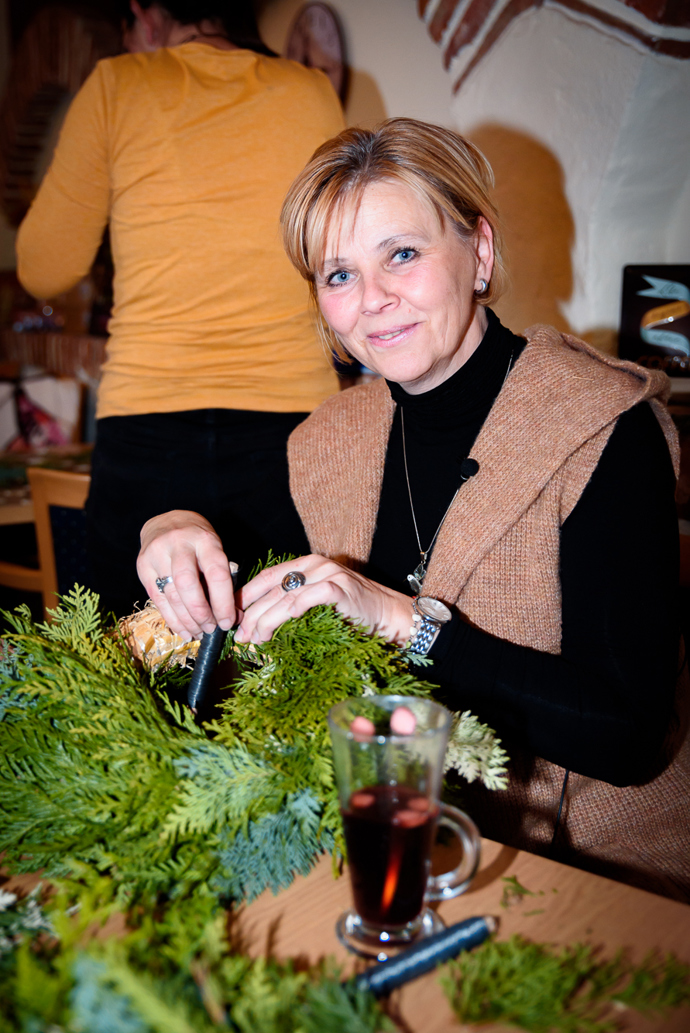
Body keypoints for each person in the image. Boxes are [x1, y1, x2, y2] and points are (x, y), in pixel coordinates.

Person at [137, 118, 689, 901]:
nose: (373, 300)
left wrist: (405, 622)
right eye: (338, 275)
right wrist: (172, 527)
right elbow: (210, 522)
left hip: (598, 875)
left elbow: (627, 734)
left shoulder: (603, 426)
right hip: (393, 845)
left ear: (480, 253)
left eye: (402, 253)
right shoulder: (332, 437)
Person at [16, 0, 344, 617]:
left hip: (147, 424)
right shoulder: (311, 91)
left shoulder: (119, 83)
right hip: (293, 426)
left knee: (134, 669)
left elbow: (43, 267)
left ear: (143, 14)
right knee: (287, 659)